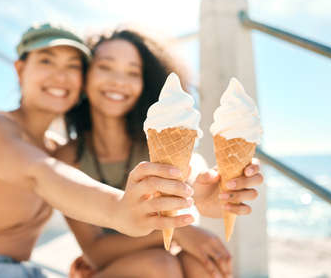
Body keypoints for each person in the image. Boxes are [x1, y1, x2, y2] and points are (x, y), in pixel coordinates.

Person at [0, 24, 196, 278]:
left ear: (83, 81)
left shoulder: (55, 148)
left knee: (176, 265)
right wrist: (118, 209)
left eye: (73, 66)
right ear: (20, 69)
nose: (60, 75)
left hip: (20, 271)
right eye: (46, 60)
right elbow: (40, 173)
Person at [57, 28, 263, 278]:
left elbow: (192, 168)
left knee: (203, 266)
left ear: (145, 82)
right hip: (107, 269)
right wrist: (178, 231)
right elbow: (96, 252)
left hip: (158, 262)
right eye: (105, 67)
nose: (119, 81)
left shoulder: (154, 142)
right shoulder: (66, 158)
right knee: (159, 266)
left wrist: (211, 190)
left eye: (133, 72)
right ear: (84, 76)